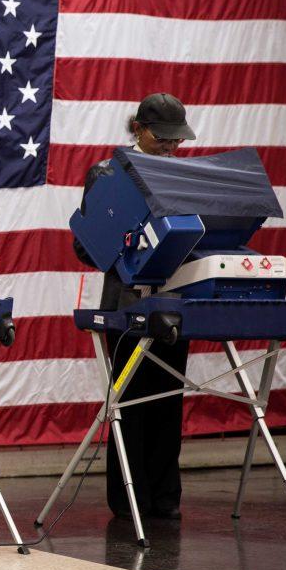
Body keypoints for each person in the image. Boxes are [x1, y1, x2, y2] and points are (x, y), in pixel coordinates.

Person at [73, 92, 195, 521]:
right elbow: (84, 246)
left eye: (176, 140)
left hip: (173, 299)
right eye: (163, 137)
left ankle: (165, 498)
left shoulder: (184, 174)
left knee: (168, 400)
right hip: (126, 303)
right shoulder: (107, 173)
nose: (171, 147)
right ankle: (129, 500)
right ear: (138, 129)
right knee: (131, 404)